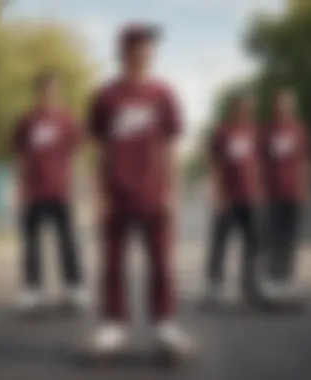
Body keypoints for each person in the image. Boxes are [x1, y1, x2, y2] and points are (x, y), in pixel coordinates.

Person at [87, 23, 196, 357]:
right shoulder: (106, 96)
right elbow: (98, 149)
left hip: (154, 193)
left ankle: (164, 324)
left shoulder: (163, 94)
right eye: (142, 46)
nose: (149, 52)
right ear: (125, 51)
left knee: (162, 263)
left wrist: (173, 191)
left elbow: (171, 148)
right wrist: (97, 194)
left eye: (151, 47)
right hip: (117, 194)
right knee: (113, 262)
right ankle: (113, 325)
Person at [12, 71, 89, 313]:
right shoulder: (27, 121)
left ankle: (73, 287)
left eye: (53, 91)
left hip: (60, 192)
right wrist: (18, 187)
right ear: (38, 93)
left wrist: (79, 187)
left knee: (67, 242)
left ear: (58, 93)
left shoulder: (67, 121)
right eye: (44, 91)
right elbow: (18, 156)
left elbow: (78, 154)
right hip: (33, 192)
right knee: (31, 243)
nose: (49, 95)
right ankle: (32, 289)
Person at [204, 91, 264, 306]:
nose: (245, 111)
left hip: (250, 196)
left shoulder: (255, 132)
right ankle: (215, 286)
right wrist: (217, 192)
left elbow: (259, 164)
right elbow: (214, 164)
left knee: (253, 243)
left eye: (248, 107)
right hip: (228, 197)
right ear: (233, 109)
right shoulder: (222, 132)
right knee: (220, 242)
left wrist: (260, 192)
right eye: (241, 107)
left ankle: (250, 285)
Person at [261, 89, 311, 301]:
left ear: (292, 106)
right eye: (280, 103)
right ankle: (273, 278)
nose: (283, 107)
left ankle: (287, 278)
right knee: (274, 237)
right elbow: (260, 163)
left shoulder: (299, 131)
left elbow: (305, 162)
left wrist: (305, 187)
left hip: (293, 193)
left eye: (287, 104)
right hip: (273, 193)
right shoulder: (267, 131)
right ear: (275, 106)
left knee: (290, 238)